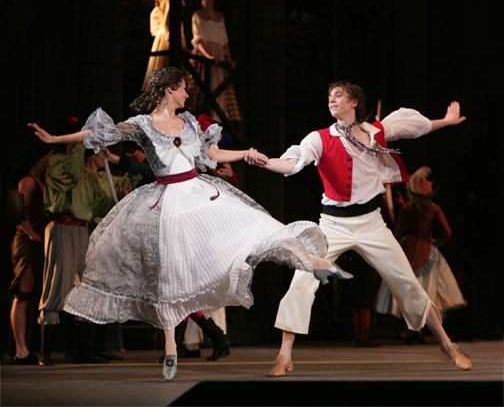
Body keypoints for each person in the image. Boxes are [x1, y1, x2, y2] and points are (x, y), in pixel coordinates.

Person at [28, 67, 351, 381]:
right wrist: (56, 137)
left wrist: (245, 154)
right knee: (169, 277)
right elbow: (97, 134)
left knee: (255, 230)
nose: (187, 92)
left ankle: (317, 263)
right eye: (183, 87)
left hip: (200, 193)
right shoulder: (143, 124)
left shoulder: (189, 122)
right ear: (170, 89)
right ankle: (171, 349)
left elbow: (211, 153)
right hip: (168, 204)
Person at [245, 81, 472, 373]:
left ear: (354, 103)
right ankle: (284, 355)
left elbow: (412, 127)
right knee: (303, 280)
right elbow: (292, 163)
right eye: (329, 96)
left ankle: (447, 345)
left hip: (371, 223)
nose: (331, 99)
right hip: (332, 225)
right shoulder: (319, 138)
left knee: (407, 281)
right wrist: (266, 162)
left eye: (338, 95)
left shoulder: (375, 132)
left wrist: (447, 121)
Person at [35, 118, 134, 366]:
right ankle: (45, 351)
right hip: (61, 228)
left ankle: (81, 351)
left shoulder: (88, 173)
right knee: (56, 284)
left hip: (82, 232)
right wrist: (81, 142)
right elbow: (68, 173)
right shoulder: (58, 163)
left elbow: (101, 201)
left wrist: (129, 183)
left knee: (86, 287)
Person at [375, 166, 467, 344]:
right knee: (425, 291)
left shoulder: (408, 208)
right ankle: (421, 329)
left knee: (409, 289)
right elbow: (447, 232)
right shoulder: (433, 209)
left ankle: (411, 329)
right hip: (427, 248)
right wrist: (436, 242)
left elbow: (398, 233)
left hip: (408, 249)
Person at [8, 143, 53, 364]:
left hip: (33, 241)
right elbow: (17, 209)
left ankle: (23, 347)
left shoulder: (37, 181)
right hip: (26, 241)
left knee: (29, 292)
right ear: (42, 158)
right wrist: (31, 234)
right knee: (23, 293)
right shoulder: (28, 182)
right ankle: (20, 350)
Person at [186, 0, 241, 121]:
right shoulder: (198, 15)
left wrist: (229, 58)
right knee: (201, 86)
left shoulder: (219, 16)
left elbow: (224, 40)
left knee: (219, 87)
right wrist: (208, 55)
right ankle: (200, 119)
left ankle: (218, 120)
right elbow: (198, 38)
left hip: (218, 52)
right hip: (204, 51)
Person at [141, 0, 190, 92]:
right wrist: (172, 39)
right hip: (169, 37)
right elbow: (169, 21)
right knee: (169, 71)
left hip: (162, 36)